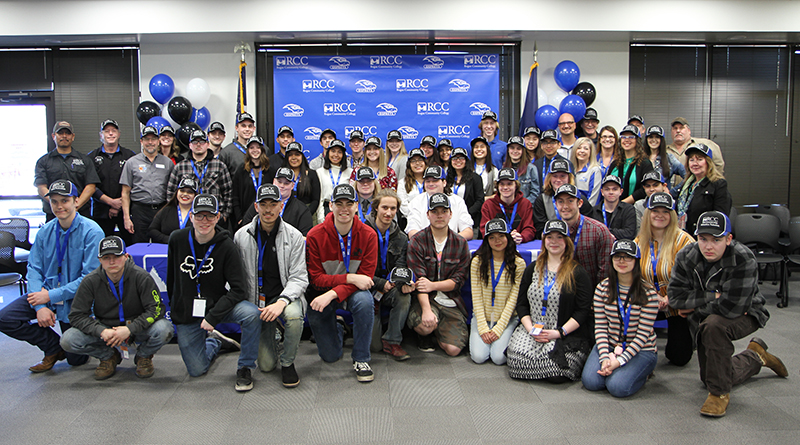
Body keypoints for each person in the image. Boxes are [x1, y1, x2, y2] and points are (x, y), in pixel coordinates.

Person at [668, 211, 787, 417]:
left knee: (714, 325)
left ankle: (719, 394)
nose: (708, 246)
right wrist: (714, 296)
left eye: (716, 240)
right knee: (711, 375)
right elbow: (676, 298)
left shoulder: (743, 258)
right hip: (707, 318)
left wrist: (695, 305)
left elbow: (732, 307)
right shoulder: (686, 256)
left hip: (748, 313)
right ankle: (756, 355)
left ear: (729, 239)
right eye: (703, 239)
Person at [0, 180, 104, 372]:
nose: (59, 206)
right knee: (5, 318)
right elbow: (34, 269)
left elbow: (89, 278)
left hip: (76, 299)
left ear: (76, 201)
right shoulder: (45, 231)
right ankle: (52, 348)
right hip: (44, 293)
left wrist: (50, 296)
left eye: (64, 201)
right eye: (54, 201)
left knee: (76, 359)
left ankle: (74, 346)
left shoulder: (92, 232)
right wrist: (40, 305)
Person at [166, 194, 261, 391]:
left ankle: (245, 367)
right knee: (196, 369)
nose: (204, 221)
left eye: (210, 216)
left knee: (252, 314)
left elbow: (238, 290)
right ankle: (215, 343)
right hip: (188, 311)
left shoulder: (227, 246)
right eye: (199, 216)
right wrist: (177, 311)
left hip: (217, 307)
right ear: (191, 216)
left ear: (218, 217)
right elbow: (171, 280)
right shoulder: (177, 239)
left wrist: (213, 317)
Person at [60, 236, 172, 379]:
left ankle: (143, 356)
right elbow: (76, 316)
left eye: (116, 256)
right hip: (106, 327)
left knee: (164, 329)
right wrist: (101, 331)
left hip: (137, 326)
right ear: (99, 260)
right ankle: (108, 356)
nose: (112, 261)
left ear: (126, 256)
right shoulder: (90, 281)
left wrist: (130, 329)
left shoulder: (141, 277)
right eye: (106, 257)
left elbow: (156, 309)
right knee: (68, 340)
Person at [234, 184, 309, 388]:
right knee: (266, 366)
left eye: (273, 204)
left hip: (283, 297)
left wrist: (282, 301)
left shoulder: (294, 236)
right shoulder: (241, 236)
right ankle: (272, 333)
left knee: (294, 316)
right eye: (263, 204)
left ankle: (287, 362)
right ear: (256, 206)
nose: (268, 210)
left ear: (281, 206)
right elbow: (235, 277)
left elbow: (300, 277)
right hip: (255, 299)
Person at [305, 184, 378, 382]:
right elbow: (316, 279)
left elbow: (366, 280)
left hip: (347, 293)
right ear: (331, 206)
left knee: (365, 300)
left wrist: (334, 293)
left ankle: (361, 358)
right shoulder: (314, 236)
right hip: (322, 292)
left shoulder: (369, 235)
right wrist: (350, 278)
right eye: (339, 204)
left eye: (349, 203)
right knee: (330, 357)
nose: (344, 209)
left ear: (357, 206)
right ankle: (338, 326)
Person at [507, 220, 593, 381]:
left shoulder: (578, 273)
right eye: (550, 237)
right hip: (532, 330)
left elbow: (582, 311)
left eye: (559, 237)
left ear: (567, 242)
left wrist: (558, 333)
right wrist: (531, 329)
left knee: (558, 369)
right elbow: (522, 304)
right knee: (516, 362)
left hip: (564, 333)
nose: (554, 242)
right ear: (544, 240)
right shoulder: (532, 268)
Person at [581, 239, 659, 398]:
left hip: (640, 349)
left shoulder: (648, 293)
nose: (622, 261)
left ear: (636, 261)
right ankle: (616, 368)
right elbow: (601, 328)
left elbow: (642, 335)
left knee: (617, 387)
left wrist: (619, 361)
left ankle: (644, 372)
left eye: (627, 257)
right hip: (609, 344)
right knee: (591, 382)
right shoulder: (602, 288)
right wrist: (604, 358)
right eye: (617, 257)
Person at [634, 192, 695, 366]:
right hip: (646, 301)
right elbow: (632, 276)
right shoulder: (639, 241)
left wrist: (670, 298)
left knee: (679, 357)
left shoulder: (685, 242)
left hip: (676, 304)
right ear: (647, 214)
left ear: (672, 215)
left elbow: (691, 279)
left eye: (665, 211)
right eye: (655, 211)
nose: (660, 215)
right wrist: (653, 296)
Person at [406, 193, 471, 355]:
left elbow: (459, 280)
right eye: (435, 211)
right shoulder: (418, 241)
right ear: (428, 215)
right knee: (425, 325)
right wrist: (426, 310)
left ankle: (440, 329)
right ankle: (426, 331)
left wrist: (433, 285)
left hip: (451, 300)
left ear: (451, 214)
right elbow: (420, 282)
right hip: (427, 299)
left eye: (444, 211)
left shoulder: (460, 243)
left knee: (453, 350)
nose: (439, 215)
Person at [364, 189, 413, 361]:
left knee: (404, 296)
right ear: (376, 208)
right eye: (385, 207)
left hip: (389, 285)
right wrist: (379, 283)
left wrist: (398, 282)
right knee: (373, 347)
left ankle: (392, 341)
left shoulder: (400, 237)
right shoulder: (361, 232)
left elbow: (400, 264)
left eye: (393, 209)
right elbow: (357, 269)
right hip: (365, 287)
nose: (389, 213)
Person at [469, 218, 526, 365]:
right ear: (486, 240)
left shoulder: (518, 264)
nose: (497, 240)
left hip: (506, 319)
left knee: (499, 358)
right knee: (479, 357)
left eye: (501, 236)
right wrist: (482, 327)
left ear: (508, 237)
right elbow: (476, 296)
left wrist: (498, 329)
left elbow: (514, 299)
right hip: (483, 316)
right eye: (492, 237)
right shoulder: (477, 261)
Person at [34, 121, 100, 221]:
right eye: (60, 133)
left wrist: (74, 206)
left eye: (67, 133)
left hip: (81, 213)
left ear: (72, 136)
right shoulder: (43, 161)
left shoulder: (85, 160)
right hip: (54, 215)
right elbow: (41, 188)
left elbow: (91, 187)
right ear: (53, 136)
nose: (64, 136)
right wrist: (58, 205)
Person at [120, 126, 175, 244]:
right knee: (139, 244)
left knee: (162, 245)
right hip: (140, 211)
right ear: (141, 141)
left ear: (158, 141)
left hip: (162, 210)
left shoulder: (168, 163)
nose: (150, 142)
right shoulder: (131, 163)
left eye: (153, 139)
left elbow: (173, 190)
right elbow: (125, 192)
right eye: (146, 139)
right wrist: (126, 218)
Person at [166, 129, 234, 222]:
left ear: (208, 144)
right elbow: (171, 193)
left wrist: (225, 215)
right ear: (190, 145)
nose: (198, 144)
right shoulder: (180, 167)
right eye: (195, 142)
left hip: (214, 216)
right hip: (189, 216)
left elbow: (228, 192)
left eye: (202, 141)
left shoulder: (219, 166)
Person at [553, 184, 614, 287]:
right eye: (560, 201)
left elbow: (605, 271)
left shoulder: (599, 230)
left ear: (580, 203)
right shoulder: (551, 232)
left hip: (592, 291)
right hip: (559, 290)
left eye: (570, 201)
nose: (565, 206)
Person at [89, 119, 136, 245]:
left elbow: (135, 182)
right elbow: (90, 185)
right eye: (107, 131)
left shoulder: (130, 156)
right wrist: (110, 202)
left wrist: (119, 204)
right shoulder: (92, 157)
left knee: (130, 245)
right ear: (101, 135)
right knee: (102, 246)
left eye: (113, 131)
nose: (110, 134)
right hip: (101, 211)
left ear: (119, 134)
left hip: (126, 211)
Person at [676, 143, 731, 236]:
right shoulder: (686, 185)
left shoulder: (718, 184)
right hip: (684, 235)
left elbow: (721, 216)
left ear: (708, 162)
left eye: (700, 159)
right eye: (691, 160)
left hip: (706, 236)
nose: (695, 163)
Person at [406, 165, 474, 240]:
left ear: (444, 183)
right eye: (428, 181)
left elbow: (468, 231)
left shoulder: (457, 201)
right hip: (425, 247)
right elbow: (412, 232)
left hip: (451, 246)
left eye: (435, 180)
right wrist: (431, 243)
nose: (431, 184)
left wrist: (449, 241)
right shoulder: (416, 202)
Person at [531, 159, 593, 235]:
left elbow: (590, 222)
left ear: (569, 178)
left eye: (563, 176)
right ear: (549, 178)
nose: (558, 180)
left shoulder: (579, 198)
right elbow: (539, 228)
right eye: (555, 176)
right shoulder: (542, 200)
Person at [480, 168, 536, 244]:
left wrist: (521, 236)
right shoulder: (488, 205)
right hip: (496, 244)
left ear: (516, 185)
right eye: (502, 184)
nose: (505, 187)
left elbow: (529, 228)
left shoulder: (525, 204)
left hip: (519, 244)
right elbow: (484, 229)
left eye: (509, 184)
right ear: (497, 186)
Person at [231, 135, 275, 229]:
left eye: (258, 147)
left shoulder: (270, 170)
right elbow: (235, 196)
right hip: (245, 217)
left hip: (266, 214)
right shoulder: (241, 170)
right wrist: (239, 217)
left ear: (262, 150)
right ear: (248, 151)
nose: (255, 150)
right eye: (251, 147)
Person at [667, 117, 725, 186]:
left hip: (698, 191)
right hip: (671, 193)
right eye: (675, 128)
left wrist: (708, 184)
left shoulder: (706, 144)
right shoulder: (665, 150)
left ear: (689, 131)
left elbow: (718, 165)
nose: (678, 131)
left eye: (681, 128)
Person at [609, 125, 654, 204]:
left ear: (637, 140)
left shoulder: (645, 163)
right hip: (612, 207)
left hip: (635, 208)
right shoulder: (615, 163)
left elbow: (645, 189)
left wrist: (622, 204)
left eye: (631, 137)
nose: (627, 140)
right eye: (624, 137)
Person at [446, 147, 484, 236]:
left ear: (466, 161)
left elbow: (480, 200)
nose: (458, 161)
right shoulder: (446, 180)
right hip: (449, 222)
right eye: (455, 158)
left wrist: (465, 214)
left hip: (470, 221)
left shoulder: (475, 178)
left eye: (461, 158)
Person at [148, 177, 198, 244]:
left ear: (195, 196)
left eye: (190, 192)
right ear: (177, 192)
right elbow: (152, 230)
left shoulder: (199, 213)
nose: (185, 194)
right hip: (167, 249)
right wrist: (169, 240)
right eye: (182, 190)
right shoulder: (166, 210)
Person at [316, 139, 352, 223]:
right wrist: (321, 219)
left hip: (344, 209)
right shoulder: (320, 172)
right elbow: (320, 198)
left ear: (343, 155)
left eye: (339, 152)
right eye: (333, 151)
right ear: (328, 153)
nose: (336, 155)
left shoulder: (350, 172)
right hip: (326, 210)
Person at [590, 175, 637, 240]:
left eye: (615, 189)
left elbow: (629, 233)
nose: (611, 192)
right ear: (602, 192)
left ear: (621, 191)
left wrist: (605, 232)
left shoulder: (628, 209)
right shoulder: (594, 211)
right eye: (607, 189)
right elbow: (591, 233)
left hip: (621, 247)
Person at [281, 141, 320, 217]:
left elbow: (316, 200)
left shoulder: (311, 174)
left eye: (297, 154)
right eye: (290, 155)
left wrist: (305, 215)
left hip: (308, 214)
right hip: (286, 214)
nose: (294, 157)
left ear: (302, 156)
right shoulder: (281, 175)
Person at [644, 125, 684, 191]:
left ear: (661, 140)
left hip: (663, 199)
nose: (654, 140)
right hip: (642, 199)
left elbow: (687, 176)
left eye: (657, 137)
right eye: (651, 137)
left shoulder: (669, 159)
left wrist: (673, 192)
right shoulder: (640, 158)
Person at [532, 130, 571, 195]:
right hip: (540, 200)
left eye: (552, 142)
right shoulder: (536, 164)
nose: (549, 146)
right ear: (541, 146)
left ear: (559, 145)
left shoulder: (566, 164)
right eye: (545, 143)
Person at [504, 135, 539, 204]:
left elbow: (535, 193)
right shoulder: (503, 168)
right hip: (507, 208)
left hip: (524, 209)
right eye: (512, 148)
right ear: (508, 150)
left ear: (523, 151)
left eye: (518, 148)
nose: (515, 151)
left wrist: (523, 205)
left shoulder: (531, 168)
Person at [219, 112, 256, 177]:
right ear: (236, 128)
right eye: (243, 126)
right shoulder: (226, 153)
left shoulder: (263, 149)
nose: (247, 129)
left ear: (254, 128)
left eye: (250, 126)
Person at [570, 137, 602, 206]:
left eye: (586, 148)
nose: (582, 151)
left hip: (586, 213)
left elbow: (593, 199)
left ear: (591, 152)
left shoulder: (595, 171)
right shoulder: (571, 170)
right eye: (579, 148)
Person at [398, 148, 428, 218]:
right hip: (411, 219)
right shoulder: (402, 183)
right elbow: (403, 206)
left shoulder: (432, 181)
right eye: (413, 161)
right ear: (409, 165)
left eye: (420, 160)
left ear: (425, 162)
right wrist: (417, 217)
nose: (417, 163)